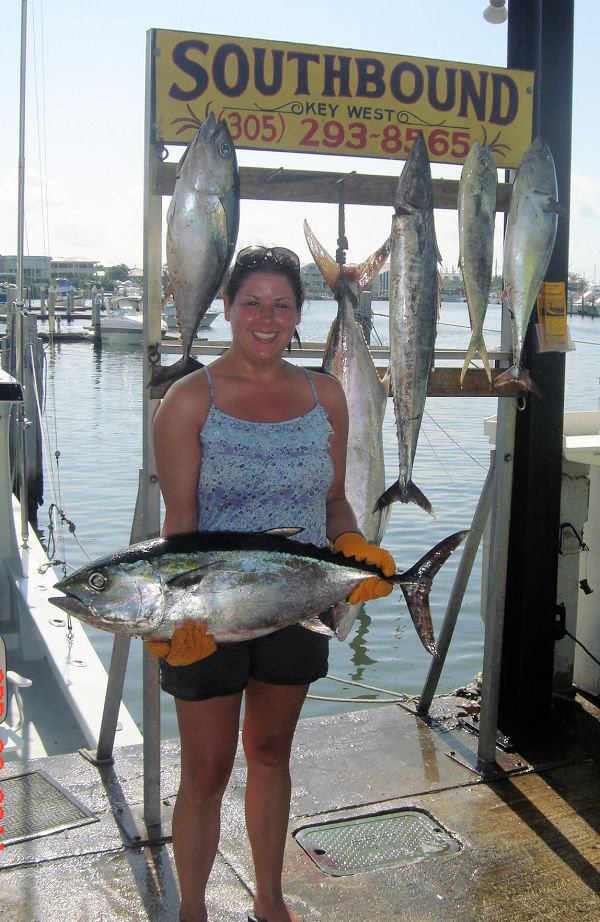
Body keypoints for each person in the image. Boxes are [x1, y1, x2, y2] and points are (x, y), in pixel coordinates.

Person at [149, 245, 396, 922]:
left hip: (296, 605)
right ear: (226, 309)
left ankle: (269, 899)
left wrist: (350, 546)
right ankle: (193, 908)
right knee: (204, 771)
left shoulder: (326, 394)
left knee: (269, 752)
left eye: (281, 304)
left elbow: (335, 499)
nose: (266, 317)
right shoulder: (187, 401)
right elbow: (181, 528)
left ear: (297, 315)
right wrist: (174, 621)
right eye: (251, 302)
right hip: (212, 613)